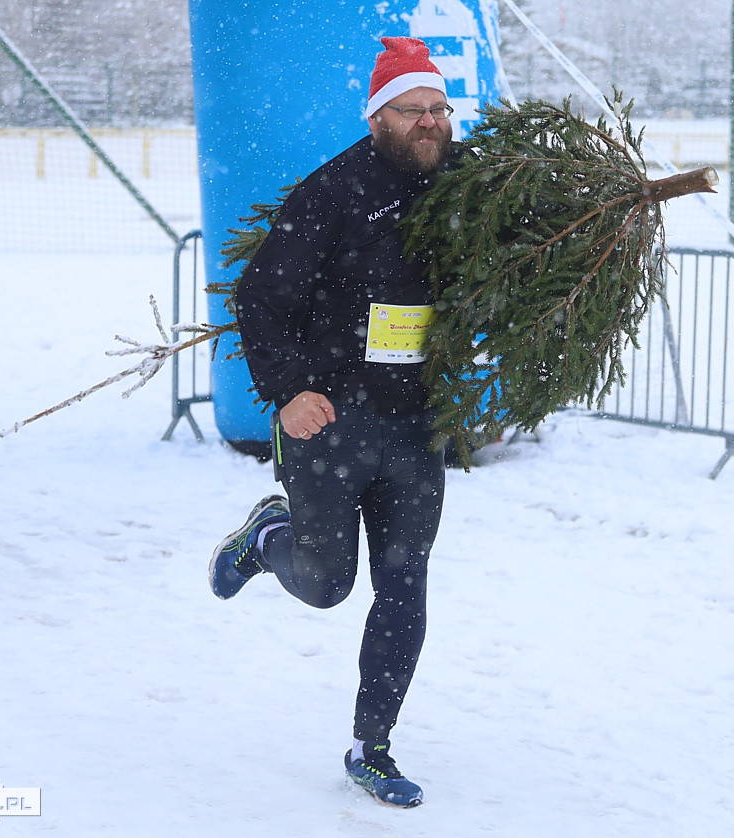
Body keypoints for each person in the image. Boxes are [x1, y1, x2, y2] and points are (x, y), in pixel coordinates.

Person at [209, 37, 458, 808]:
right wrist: (286, 391)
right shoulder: (333, 193)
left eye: (439, 109)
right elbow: (258, 299)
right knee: (325, 587)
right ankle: (267, 538)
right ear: (379, 117)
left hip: (415, 423)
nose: (431, 123)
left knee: (405, 583)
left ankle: (371, 746)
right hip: (331, 422)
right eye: (414, 110)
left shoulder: (465, 184)